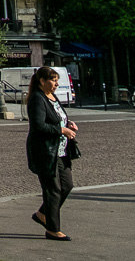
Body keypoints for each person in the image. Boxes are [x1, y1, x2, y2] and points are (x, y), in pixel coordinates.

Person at [27, 66, 78, 241]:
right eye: (53, 80)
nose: (56, 83)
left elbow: (57, 117)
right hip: (45, 152)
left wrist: (68, 123)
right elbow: (39, 126)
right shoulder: (37, 99)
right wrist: (61, 130)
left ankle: (42, 214)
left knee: (67, 185)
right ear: (42, 81)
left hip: (61, 151)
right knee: (53, 190)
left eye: (57, 80)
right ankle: (52, 229)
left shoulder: (52, 97)